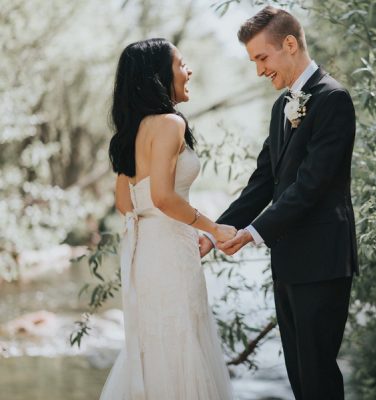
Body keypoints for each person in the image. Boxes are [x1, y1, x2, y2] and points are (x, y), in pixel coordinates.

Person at [199, 6, 358, 399]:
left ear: (290, 44)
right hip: (288, 262)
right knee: (300, 376)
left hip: (323, 261)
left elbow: (309, 187)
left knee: (318, 375)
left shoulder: (333, 99)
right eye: (254, 61)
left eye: (262, 58)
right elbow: (262, 183)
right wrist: (214, 230)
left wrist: (253, 234)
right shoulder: (280, 107)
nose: (259, 70)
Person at [101, 38, 234, 400]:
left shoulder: (131, 131)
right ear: (159, 75)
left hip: (144, 253)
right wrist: (213, 228)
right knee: (182, 341)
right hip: (170, 254)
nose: (188, 70)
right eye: (181, 64)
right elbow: (163, 197)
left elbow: (123, 204)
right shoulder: (170, 124)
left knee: (154, 343)